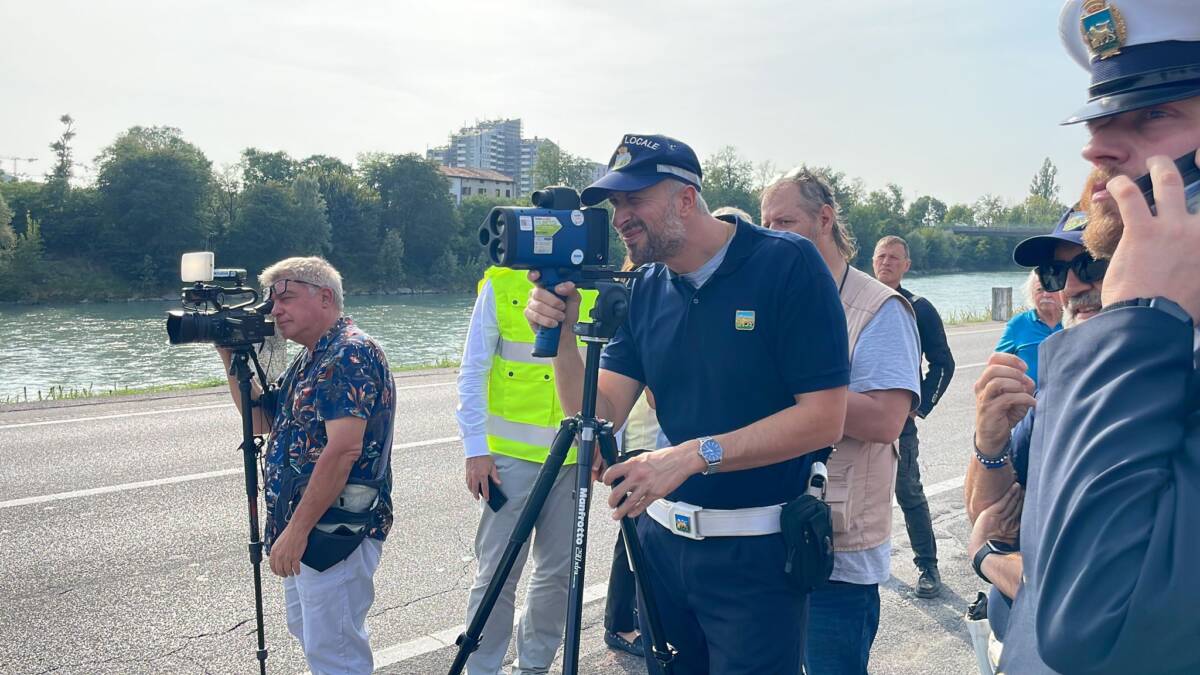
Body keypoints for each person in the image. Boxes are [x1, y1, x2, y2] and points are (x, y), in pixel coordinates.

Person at [525, 133, 850, 674]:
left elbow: (824, 418)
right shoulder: (644, 286)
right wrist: (562, 340)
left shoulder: (786, 262)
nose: (621, 216)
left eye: (635, 199)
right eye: (616, 203)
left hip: (757, 557)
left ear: (684, 197)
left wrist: (696, 454)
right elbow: (600, 415)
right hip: (661, 552)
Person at [997, 3, 1200, 672]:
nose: (1095, 147)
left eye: (1153, 115)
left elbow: (1092, 626)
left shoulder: (1142, 331)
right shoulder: (1135, 329)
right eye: (1101, 118)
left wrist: (1140, 321)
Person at [761, 169, 921, 675]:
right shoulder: (773, 300)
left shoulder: (879, 309)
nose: (772, 232)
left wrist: (797, 391)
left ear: (825, 220)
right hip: (767, 531)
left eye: (784, 220)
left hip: (837, 548)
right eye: (766, 222)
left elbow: (886, 420)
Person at [216, 256, 395, 675]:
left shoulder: (350, 354)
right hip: (311, 526)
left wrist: (296, 532)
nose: (275, 310)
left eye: (286, 297)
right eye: (271, 301)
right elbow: (260, 420)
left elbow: (344, 450)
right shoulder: (313, 356)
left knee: (335, 652)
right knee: (313, 635)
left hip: (335, 529)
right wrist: (230, 355)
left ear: (325, 297)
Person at [963, 206, 1104, 667]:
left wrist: (988, 560)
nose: (1071, 287)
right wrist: (990, 442)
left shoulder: (1169, 394)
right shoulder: (1056, 392)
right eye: (1054, 272)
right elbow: (986, 514)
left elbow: (1091, 601)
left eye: (1091, 264)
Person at [454, 265, 596, 675]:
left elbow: (608, 372)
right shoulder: (501, 283)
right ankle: (481, 668)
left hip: (571, 459)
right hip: (508, 461)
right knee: (496, 575)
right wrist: (475, 450)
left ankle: (533, 668)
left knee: (557, 578)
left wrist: (604, 442)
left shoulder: (597, 286)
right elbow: (473, 369)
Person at [872, 234, 956, 598]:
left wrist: (918, 405)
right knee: (853, 494)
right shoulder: (858, 300)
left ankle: (927, 565)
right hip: (855, 419)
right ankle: (858, 560)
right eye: (881, 255)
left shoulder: (918, 307)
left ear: (906, 265)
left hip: (898, 424)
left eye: (894, 257)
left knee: (908, 492)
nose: (886, 262)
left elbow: (943, 363)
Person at [994, 271, 1062, 386]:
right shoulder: (1018, 324)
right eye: (1040, 290)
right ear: (1031, 294)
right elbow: (997, 363)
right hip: (1031, 400)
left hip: (1069, 398)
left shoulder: (1073, 321)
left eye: (1051, 288)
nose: (1046, 294)